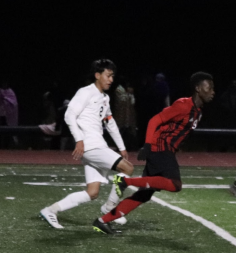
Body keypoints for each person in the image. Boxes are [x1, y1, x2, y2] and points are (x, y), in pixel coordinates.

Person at [92, 71, 215, 234]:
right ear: (198, 88)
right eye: (209, 88)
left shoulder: (198, 112)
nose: (212, 92)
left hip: (164, 149)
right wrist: (148, 145)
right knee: (175, 184)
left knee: (144, 195)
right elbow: (155, 120)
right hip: (160, 148)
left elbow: (178, 131)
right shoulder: (184, 105)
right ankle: (124, 182)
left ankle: (102, 221)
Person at [39, 59, 134, 229]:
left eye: (112, 76)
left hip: (97, 146)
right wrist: (79, 140)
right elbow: (69, 116)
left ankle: (50, 210)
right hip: (91, 146)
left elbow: (110, 123)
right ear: (97, 75)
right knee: (127, 169)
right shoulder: (85, 92)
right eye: (108, 75)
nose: (111, 80)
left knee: (92, 193)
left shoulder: (104, 97)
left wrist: (122, 147)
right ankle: (110, 208)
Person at [0, 80, 19, 148]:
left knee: (7, 131)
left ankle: (6, 146)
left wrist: (5, 97)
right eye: (3, 83)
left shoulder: (11, 92)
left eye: (5, 83)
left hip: (8, 116)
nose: (4, 85)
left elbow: (14, 103)